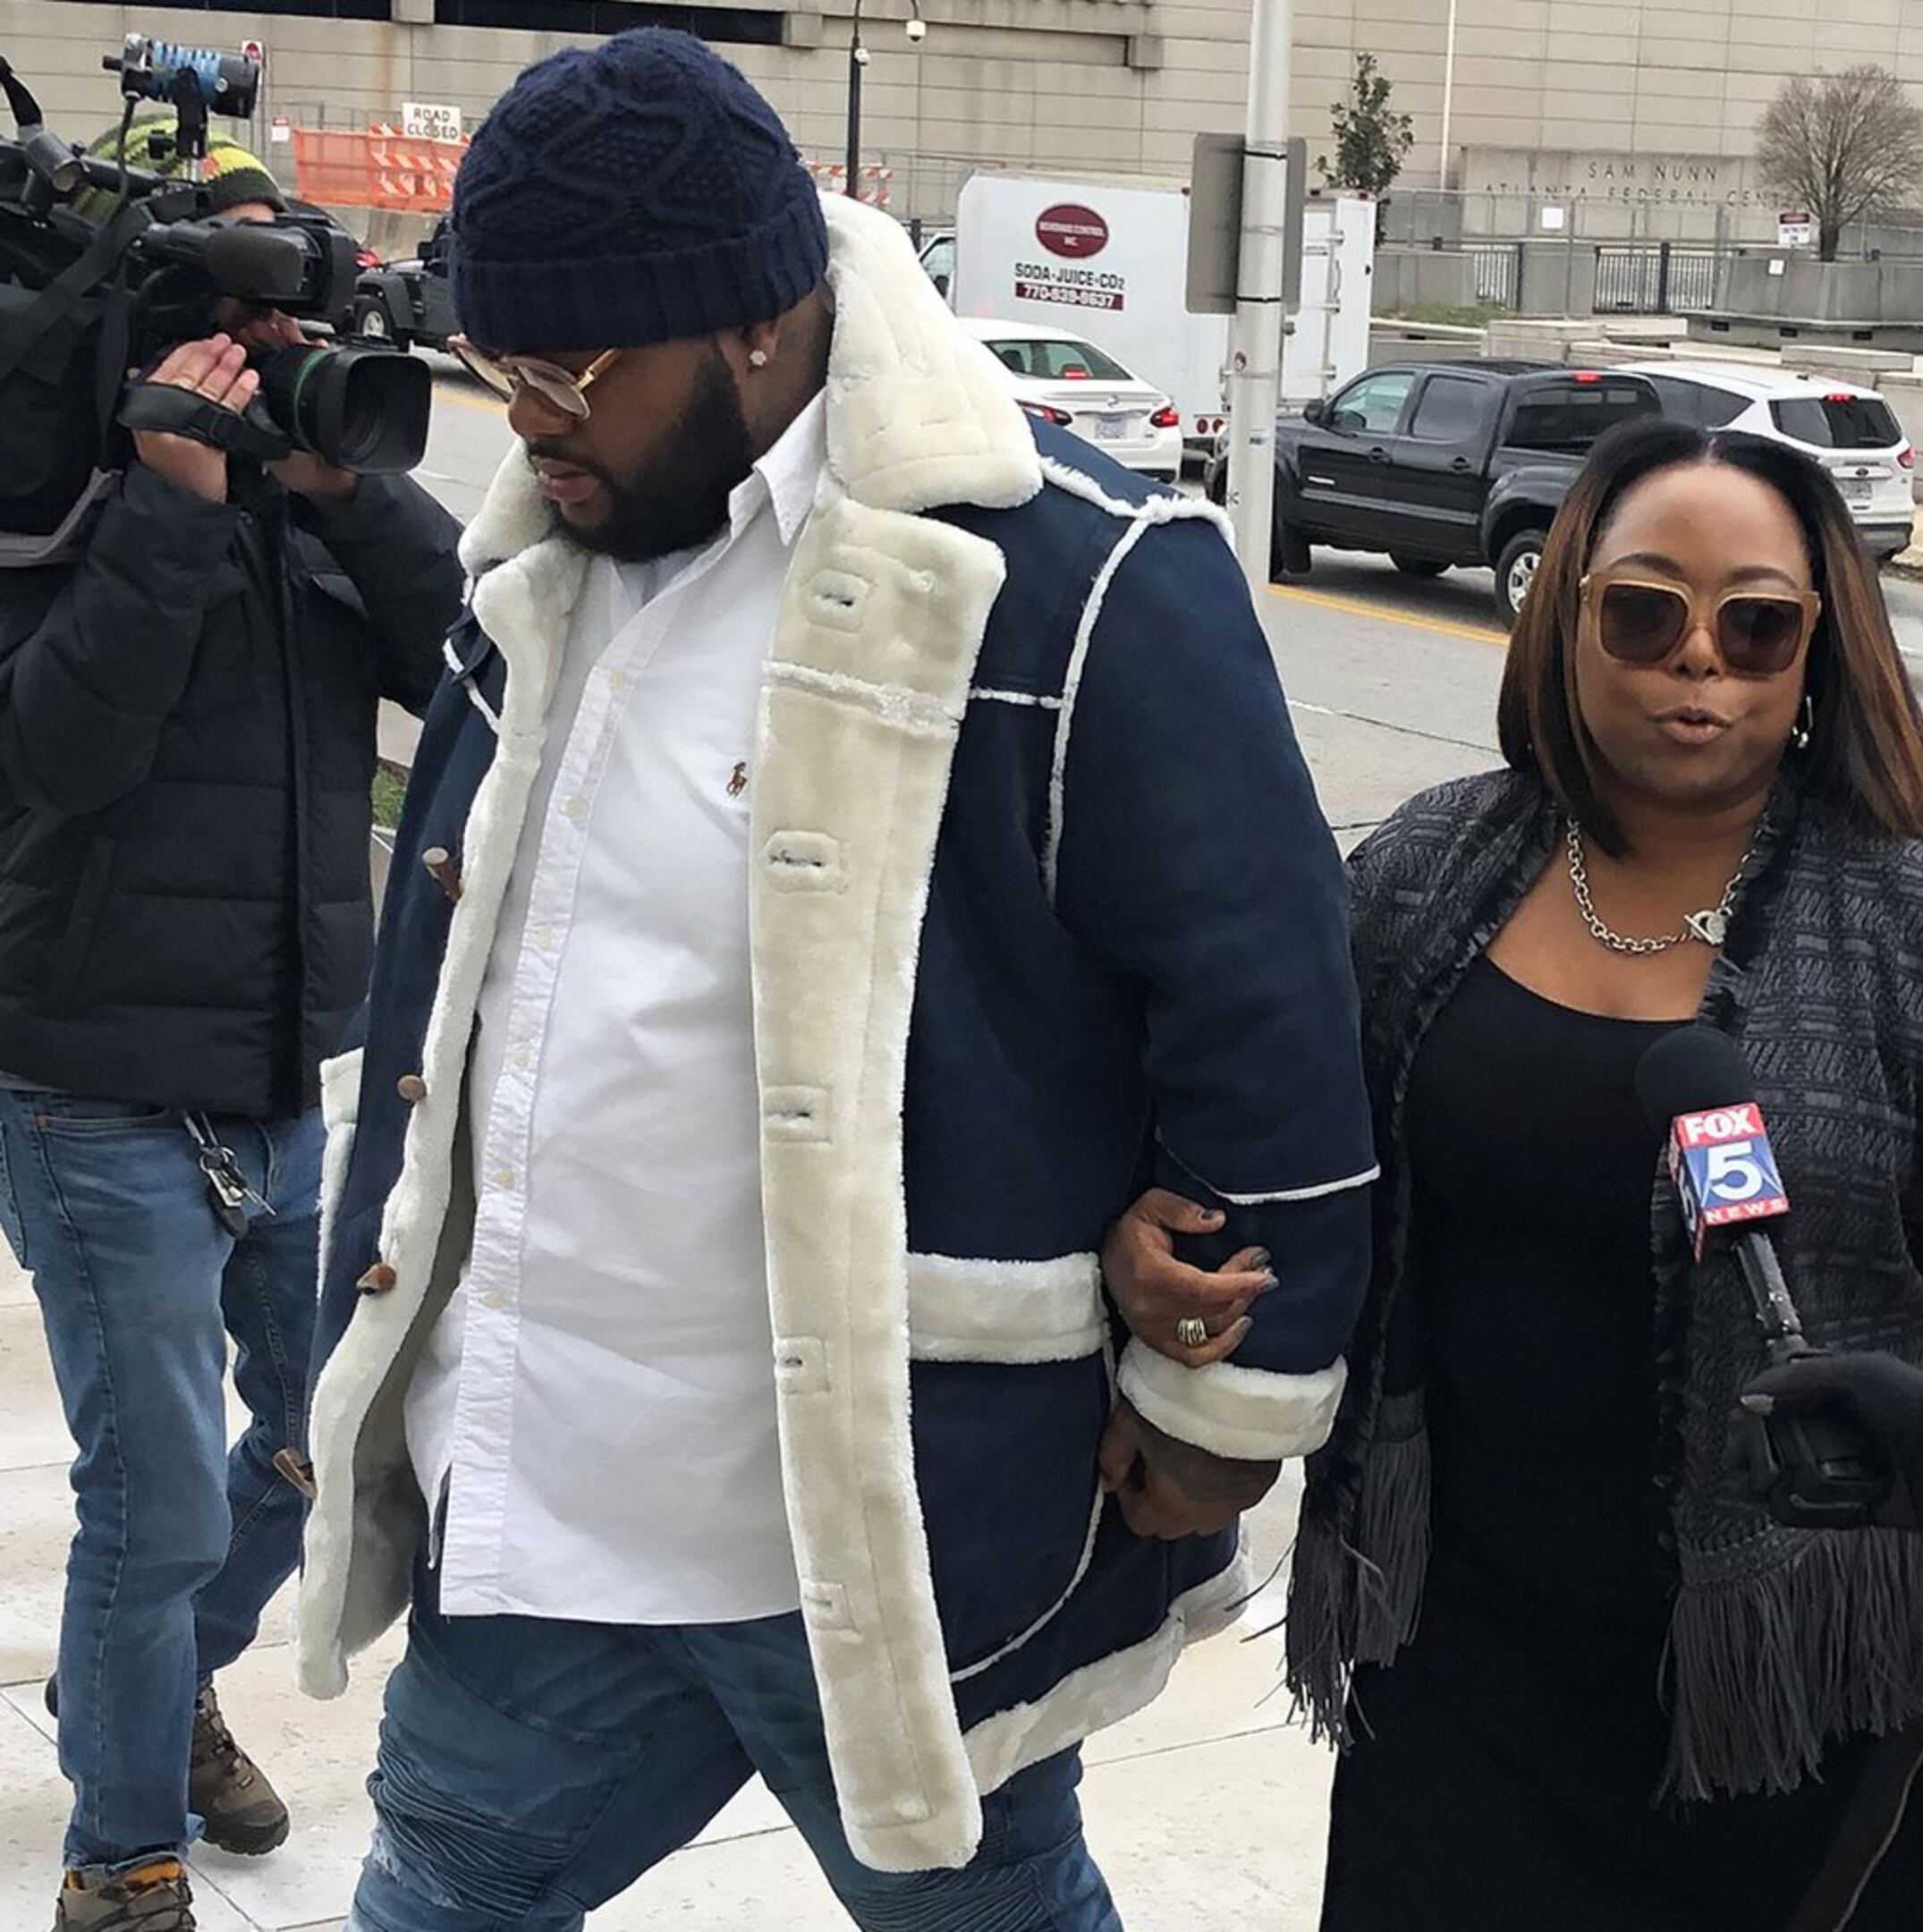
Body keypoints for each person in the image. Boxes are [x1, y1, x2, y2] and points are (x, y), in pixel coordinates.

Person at [292, 33, 1369, 1928]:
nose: (523, 414)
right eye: (494, 360)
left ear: (765, 325)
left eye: (572, 370)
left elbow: (1266, 1014)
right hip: (541, 1516)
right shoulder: (542, 565)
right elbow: (451, 1002)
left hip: (887, 1535)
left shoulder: (1069, 577)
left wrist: (1231, 1407)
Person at [1110, 416, 1923, 1928]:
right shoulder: (1415, 874)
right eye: (1646, 611)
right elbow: (1283, 1173)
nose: (1699, 662)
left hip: (1809, 1683)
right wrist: (1169, 1258)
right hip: (1458, 1660)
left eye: (1756, 624)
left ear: (1818, 648)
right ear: (1568, 615)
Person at [0, 135, 462, 1931]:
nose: (263, 351)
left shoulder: (295, 510)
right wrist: (168, 504)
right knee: (162, 1500)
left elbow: (470, 668)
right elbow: (59, 762)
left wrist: (346, 489)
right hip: (92, 1090)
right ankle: (120, 1859)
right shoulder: (60, 495)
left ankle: (135, 1692)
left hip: (285, 1073)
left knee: (315, 1452)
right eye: (231, 315)